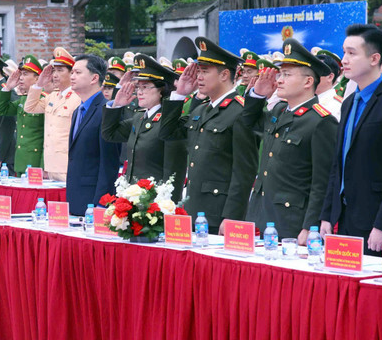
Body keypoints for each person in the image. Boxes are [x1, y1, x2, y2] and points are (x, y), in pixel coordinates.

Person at [319, 24, 382, 255]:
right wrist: (326, 215)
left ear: (374, 58)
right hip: (345, 218)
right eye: (344, 52)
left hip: (377, 221)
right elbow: (338, 164)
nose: (344, 59)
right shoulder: (348, 102)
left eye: (352, 53)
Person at [242, 39, 338, 242]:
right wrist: (258, 95)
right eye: (280, 74)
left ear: (308, 82)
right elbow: (247, 123)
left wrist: (310, 226)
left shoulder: (321, 121)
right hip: (261, 216)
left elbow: (321, 183)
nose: (280, 80)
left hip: (291, 222)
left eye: (287, 74)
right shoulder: (278, 110)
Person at [159, 37, 258, 233]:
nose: (199, 77)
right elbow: (168, 133)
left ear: (224, 75)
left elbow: (244, 173)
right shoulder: (200, 110)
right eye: (198, 71)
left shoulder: (240, 112)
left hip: (218, 215)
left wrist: (231, 217)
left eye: (205, 71)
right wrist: (180, 95)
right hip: (194, 211)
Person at [102, 55, 185, 196]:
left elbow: (173, 169)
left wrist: (167, 202)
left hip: (155, 199)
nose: (139, 92)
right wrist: (117, 105)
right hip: (134, 196)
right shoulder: (139, 117)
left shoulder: (168, 121)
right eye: (138, 87)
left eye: (145, 87)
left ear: (161, 90)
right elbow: (109, 133)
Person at [66, 54, 121, 216]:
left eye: (77, 72)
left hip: (94, 200)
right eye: (72, 73)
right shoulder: (78, 110)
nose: (72, 76)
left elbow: (109, 162)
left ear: (94, 78)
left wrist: (102, 203)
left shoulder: (106, 111)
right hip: (76, 195)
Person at [24, 47, 81, 181]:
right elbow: (30, 108)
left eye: (60, 70)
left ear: (71, 73)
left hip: (67, 164)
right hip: (50, 165)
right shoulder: (52, 97)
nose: (55, 75)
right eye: (54, 70)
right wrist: (39, 84)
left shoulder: (77, 98)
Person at [0, 55, 45, 175]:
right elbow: (2, 110)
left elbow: (47, 137)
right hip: (20, 161)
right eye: (21, 74)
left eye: (26, 74)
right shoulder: (23, 100)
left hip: (36, 162)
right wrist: (7, 88)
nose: (21, 78)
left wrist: (44, 166)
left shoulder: (43, 99)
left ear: (37, 78)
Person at [312, 49, 344, 121]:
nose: (310, 77)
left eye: (316, 72)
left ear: (330, 77)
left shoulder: (338, 106)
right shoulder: (304, 100)